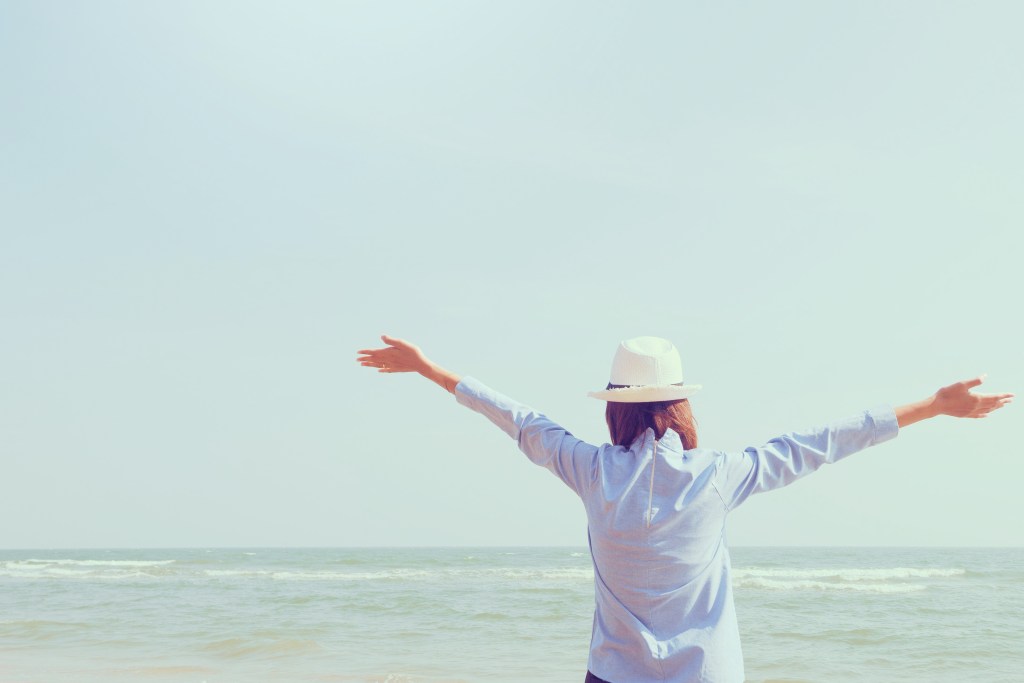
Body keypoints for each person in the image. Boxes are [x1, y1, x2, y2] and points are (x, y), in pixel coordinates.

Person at [356, 334, 1013, 683]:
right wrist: (933, 406)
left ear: (615, 408)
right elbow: (824, 442)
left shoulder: (590, 470)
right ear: (680, 405)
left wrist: (430, 368)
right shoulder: (718, 476)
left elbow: (518, 419)